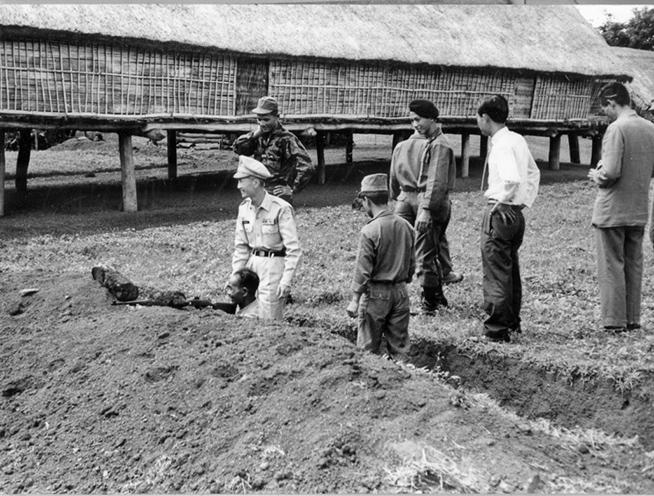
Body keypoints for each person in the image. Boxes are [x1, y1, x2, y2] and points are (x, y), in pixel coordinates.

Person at [588, 82, 654, 333]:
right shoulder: (650, 128)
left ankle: (614, 320)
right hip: (638, 209)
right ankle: (632, 318)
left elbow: (612, 171)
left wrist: (597, 175)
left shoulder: (616, 128)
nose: (605, 113)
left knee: (611, 265)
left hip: (612, 210)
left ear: (612, 103)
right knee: (633, 264)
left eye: (605, 108)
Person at [476, 94, 540, 343]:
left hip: (500, 211)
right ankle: (512, 322)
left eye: (478, 118)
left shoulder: (501, 144)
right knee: (510, 269)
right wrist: (523, 201)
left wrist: (502, 201)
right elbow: (533, 172)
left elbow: (511, 178)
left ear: (485, 118)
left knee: (495, 271)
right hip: (516, 213)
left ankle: (496, 329)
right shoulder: (517, 139)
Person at [388, 99, 457, 314]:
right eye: (412, 121)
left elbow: (436, 181)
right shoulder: (430, 141)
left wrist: (425, 210)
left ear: (432, 119)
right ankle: (436, 296)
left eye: (418, 119)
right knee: (423, 250)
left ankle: (430, 303)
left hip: (429, 203)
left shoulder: (439, 144)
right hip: (420, 200)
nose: (414, 124)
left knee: (424, 252)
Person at [346, 173, 415, 358]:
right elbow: (412, 263)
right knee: (400, 349)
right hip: (401, 293)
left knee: (367, 351)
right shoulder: (406, 226)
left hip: (376, 295)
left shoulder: (370, 230)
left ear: (367, 200)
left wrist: (354, 300)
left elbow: (362, 270)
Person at [389, 129, 464, 287]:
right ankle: (444, 272)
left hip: (403, 198)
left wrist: (396, 195)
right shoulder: (433, 147)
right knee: (436, 236)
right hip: (426, 197)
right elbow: (441, 177)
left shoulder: (400, 146)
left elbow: (393, 176)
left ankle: (400, 276)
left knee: (402, 239)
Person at [230, 155, 301, 320]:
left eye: (241, 181)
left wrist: (286, 280)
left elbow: (294, 249)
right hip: (251, 267)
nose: (238, 186)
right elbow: (241, 247)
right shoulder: (244, 209)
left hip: (273, 268)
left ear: (255, 182)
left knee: (269, 319)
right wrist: (235, 277)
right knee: (244, 316)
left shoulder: (280, 209)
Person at [232, 96, 314, 205]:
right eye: (259, 119)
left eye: (266, 119)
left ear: (277, 117)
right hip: (258, 192)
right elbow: (238, 149)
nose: (262, 123)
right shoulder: (259, 137)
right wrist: (254, 135)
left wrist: (292, 188)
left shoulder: (287, 139)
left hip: (277, 196)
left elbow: (307, 166)